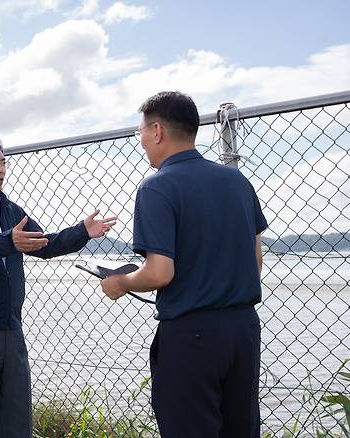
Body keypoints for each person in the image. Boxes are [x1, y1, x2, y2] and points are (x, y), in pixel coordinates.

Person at [101, 91, 267, 438]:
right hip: (243, 330)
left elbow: (160, 271)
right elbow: (256, 257)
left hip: (192, 335)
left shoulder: (158, 186)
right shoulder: (236, 180)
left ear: (157, 131)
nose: (142, 140)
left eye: (141, 132)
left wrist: (122, 283)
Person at [0, 134, 117, 438]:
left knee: (17, 423)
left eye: (3, 162)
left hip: (10, 327)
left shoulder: (9, 209)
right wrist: (7, 242)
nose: (1, 169)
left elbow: (44, 244)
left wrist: (83, 231)